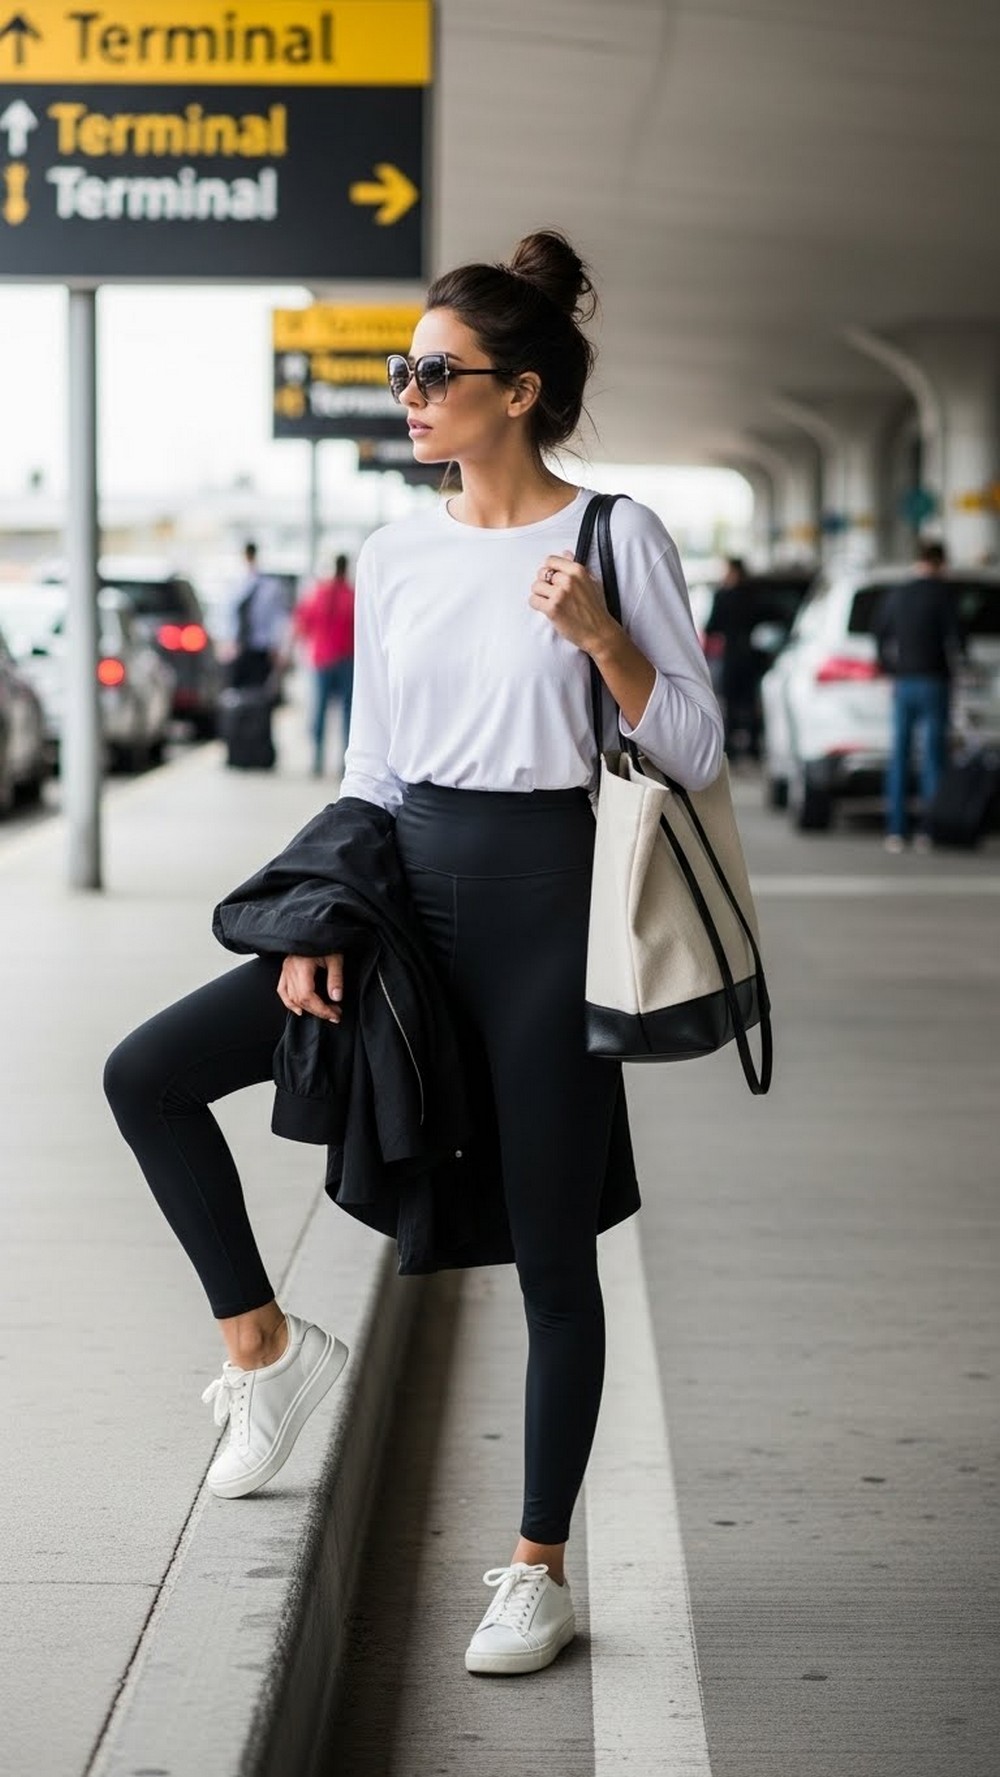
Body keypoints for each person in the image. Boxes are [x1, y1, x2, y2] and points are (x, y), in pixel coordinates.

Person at [102, 230, 723, 1678]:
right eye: (405, 371)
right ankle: (263, 1349)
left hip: (549, 898)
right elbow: (373, 763)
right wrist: (321, 920)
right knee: (150, 1074)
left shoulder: (618, 538)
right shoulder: (393, 551)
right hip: (402, 889)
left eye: (435, 374)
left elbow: (687, 748)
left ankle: (538, 1566)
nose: (410, 395)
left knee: (554, 1256)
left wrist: (607, 642)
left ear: (518, 392)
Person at [873, 539, 963, 852]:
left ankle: (896, 831)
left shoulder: (897, 594)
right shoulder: (943, 594)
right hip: (934, 682)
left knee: (899, 757)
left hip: (903, 682)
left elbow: (880, 634)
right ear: (940, 563)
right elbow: (957, 638)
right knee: (933, 758)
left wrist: (889, 668)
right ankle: (930, 829)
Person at [293, 553, 355, 776]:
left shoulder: (319, 593)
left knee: (319, 711)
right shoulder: (352, 596)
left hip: (322, 660)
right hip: (347, 661)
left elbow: (302, 624)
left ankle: (317, 760)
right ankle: (345, 763)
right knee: (348, 714)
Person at [704, 556, 761, 761]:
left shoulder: (722, 596)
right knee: (749, 702)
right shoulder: (753, 595)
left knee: (729, 702)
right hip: (751, 656)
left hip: (731, 657)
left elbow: (712, 627)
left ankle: (732, 748)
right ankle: (752, 746)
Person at [228, 541, 289, 690]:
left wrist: (276, 645)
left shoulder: (269, 585)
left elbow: (278, 618)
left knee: (259, 691)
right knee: (241, 690)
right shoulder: (238, 582)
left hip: (262, 647)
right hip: (242, 647)